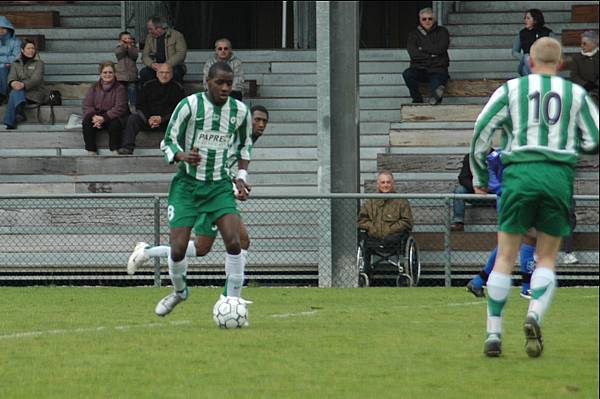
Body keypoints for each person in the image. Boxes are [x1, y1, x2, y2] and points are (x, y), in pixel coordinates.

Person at [470, 37, 598, 358]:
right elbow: (595, 137)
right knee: (546, 257)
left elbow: (482, 129)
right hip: (556, 177)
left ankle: (494, 332)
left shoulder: (511, 89)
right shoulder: (575, 93)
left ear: (530, 61)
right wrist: (567, 152)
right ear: (561, 64)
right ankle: (534, 314)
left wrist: (480, 177)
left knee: (505, 255)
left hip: (520, 172)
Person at [140, 61, 253, 317]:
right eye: (220, 83)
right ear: (208, 82)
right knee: (179, 249)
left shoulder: (240, 111)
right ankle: (179, 292)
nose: (225, 88)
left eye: (229, 83)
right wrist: (181, 156)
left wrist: (241, 176)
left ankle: (232, 302)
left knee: (234, 242)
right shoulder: (190, 105)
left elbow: (244, 147)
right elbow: (167, 140)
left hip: (219, 187)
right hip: (187, 186)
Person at [126, 105, 269, 277]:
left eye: (264, 121)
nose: (261, 124)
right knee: (241, 241)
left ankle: (148, 251)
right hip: (207, 191)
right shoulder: (231, 136)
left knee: (202, 248)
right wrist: (231, 185)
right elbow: (216, 164)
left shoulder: (247, 142)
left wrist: (239, 181)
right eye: (257, 120)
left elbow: (233, 166)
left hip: (219, 191)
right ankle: (233, 292)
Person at [465, 149, 537, 300]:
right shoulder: (498, 155)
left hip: (520, 198)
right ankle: (526, 287)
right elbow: (489, 175)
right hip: (510, 200)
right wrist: (503, 191)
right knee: (530, 235)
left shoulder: (523, 150)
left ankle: (478, 281)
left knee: (510, 242)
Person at [117, 63, 185, 155]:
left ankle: (178, 150)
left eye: (167, 72)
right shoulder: (148, 86)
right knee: (133, 118)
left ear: (172, 74)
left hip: (167, 122)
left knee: (182, 121)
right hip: (148, 120)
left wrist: (162, 119)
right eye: (161, 72)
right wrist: (149, 118)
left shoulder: (178, 88)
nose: (164, 75)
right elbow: (140, 105)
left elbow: (179, 110)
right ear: (157, 74)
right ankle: (127, 147)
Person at [357, 170, 414, 271]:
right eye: (383, 182)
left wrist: (390, 229)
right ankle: (366, 272)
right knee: (362, 236)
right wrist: (373, 228)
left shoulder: (402, 202)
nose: (385, 185)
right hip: (373, 239)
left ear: (393, 184)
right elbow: (362, 220)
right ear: (378, 184)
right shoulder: (370, 202)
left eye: (388, 182)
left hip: (394, 239)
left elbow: (407, 221)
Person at [402, 7, 449, 105]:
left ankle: (435, 101)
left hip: (438, 69)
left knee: (436, 91)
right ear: (420, 20)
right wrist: (432, 56)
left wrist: (422, 48)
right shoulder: (413, 34)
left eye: (430, 18)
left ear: (434, 19)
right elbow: (413, 54)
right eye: (424, 19)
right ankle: (417, 99)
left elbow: (441, 49)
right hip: (419, 69)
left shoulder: (442, 31)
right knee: (407, 74)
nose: (427, 21)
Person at [81, 61, 128, 155]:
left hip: (113, 116)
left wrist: (104, 118)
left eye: (110, 72)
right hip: (97, 116)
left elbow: (120, 107)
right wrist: (94, 117)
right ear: (100, 74)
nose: (108, 75)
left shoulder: (120, 88)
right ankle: (91, 150)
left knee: (115, 124)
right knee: (86, 122)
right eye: (105, 72)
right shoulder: (94, 87)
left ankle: (114, 149)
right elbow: (87, 105)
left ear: (114, 73)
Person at [3, 40, 47, 129]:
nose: (31, 50)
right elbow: (11, 77)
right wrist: (13, 83)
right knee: (15, 91)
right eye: (28, 48)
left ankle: (12, 119)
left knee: (14, 93)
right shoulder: (15, 63)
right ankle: (19, 113)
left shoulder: (39, 63)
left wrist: (23, 84)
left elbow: (36, 79)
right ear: (22, 50)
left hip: (35, 92)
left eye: (33, 48)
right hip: (20, 92)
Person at [140, 16, 187, 86]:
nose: (149, 31)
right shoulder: (149, 37)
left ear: (159, 28)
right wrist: (152, 64)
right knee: (144, 73)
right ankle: (150, 95)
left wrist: (166, 65)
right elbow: (145, 55)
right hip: (156, 67)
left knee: (176, 73)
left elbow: (181, 54)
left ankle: (176, 95)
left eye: (150, 29)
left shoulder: (177, 35)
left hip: (173, 66)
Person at [511, 9, 553, 76]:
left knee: (526, 71)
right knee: (527, 57)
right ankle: (539, 77)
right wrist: (525, 58)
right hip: (526, 61)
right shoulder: (522, 33)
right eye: (525, 18)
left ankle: (536, 79)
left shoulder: (547, 33)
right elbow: (514, 51)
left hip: (542, 64)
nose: (525, 20)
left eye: (528, 18)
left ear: (535, 20)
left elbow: (555, 50)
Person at [569, 30, 598, 104]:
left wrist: (595, 87)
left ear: (594, 43)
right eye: (581, 43)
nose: (582, 46)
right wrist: (586, 85)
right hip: (582, 91)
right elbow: (574, 76)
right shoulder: (577, 58)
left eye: (584, 43)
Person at [114, 31, 139, 111]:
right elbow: (119, 54)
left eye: (129, 38)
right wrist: (124, 45)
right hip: (121, 76)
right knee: (121, 92)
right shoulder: (118, 48)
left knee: (132, 90)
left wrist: (130, 46)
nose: (127, 40)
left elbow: (134, 56)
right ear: (120, 41)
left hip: (131, 76)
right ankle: (121, 106)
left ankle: (133, 106)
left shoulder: (134, 48)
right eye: (124, 39)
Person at [0, 16, 22, 105]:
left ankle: (2, 94)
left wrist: (3, 62)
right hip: (4, 65)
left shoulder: (16, 42)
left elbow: (16, 57)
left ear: (9, 28)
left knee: (3, 69)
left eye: (3, 28)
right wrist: (5, 61)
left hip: (11, 67)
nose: (0, 31)